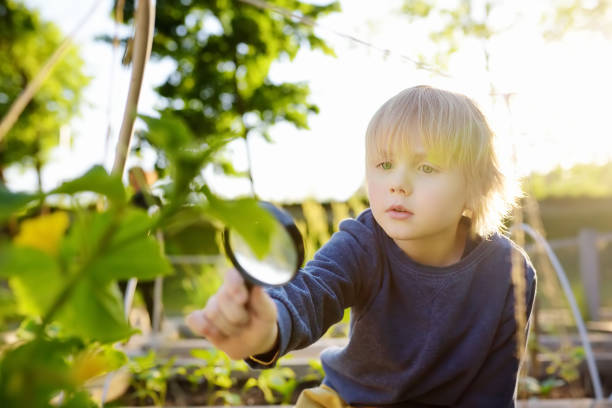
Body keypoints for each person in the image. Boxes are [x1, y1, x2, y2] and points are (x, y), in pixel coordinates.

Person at [186, 85, 537, 407]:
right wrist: (270, 328)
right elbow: (311, 291)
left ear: (476, 186)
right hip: (350, 401)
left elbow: (494, 392)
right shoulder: (364, 241)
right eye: (384, 164)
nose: (398, 183)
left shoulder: (509, 272)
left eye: (427, 167)